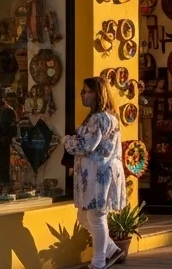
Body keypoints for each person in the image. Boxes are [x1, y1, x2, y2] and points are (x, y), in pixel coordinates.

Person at [64, 77, 126, 269]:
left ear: (97, 94)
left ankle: (98, 262)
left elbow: (86, 145)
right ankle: (112, 250)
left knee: (96, 217)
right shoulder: (104, 117)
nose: (82, 94)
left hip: (98, 175)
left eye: (86, 91)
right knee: (84, 217)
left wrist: (66, 140)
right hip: (96, 174)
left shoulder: (99, 118)